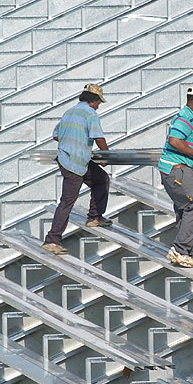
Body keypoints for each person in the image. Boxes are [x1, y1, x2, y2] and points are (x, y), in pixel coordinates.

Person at [42, 84, 112, 255]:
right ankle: (52, 240)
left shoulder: (69, 112)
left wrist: (73, 142)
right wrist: (106, 156)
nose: (98, 106)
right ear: (93, 101)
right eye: (98, 103)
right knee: (67, 201)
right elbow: (98, 137)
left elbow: (57, 135)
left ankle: (95, 217)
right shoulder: (90, 114)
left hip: (69, 159)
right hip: (75, 162)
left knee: (101, 180)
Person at [158, 85, 193, 268]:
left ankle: (186, 253)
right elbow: (174, 141)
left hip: (174, 169)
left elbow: (183, 143)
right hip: (178, 170)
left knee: (184, 209)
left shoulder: (188, 116)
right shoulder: (186, 117)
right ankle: (180, 250)